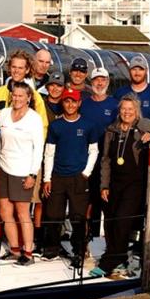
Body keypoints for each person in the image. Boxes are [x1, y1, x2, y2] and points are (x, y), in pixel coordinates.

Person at [92, 95, 150, 279]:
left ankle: (109, 261)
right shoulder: (111, 130)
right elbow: (105, 159)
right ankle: (119, 256)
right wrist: (103, 185)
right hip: (114, 182)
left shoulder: (142, 124)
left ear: (136, 111)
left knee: (123, 220)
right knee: (110, 220)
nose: (127, 112)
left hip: (134, 183)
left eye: (130, 109)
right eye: (123, 109)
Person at [41, 89, 99, 266]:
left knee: (77, 216)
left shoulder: (88, 125)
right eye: (67, 101)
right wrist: (47, 178)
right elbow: (49, 153)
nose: (70, 105)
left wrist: (86, 173)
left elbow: (93, 151)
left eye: (74, 101)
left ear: (79, 103)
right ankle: (51, 249)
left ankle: (79, 251)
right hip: (57, 176)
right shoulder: (56, 126)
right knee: (53, 214)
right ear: (63, 103)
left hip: (79, 177)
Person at [0, 81, 45, 267]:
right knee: (5, 211)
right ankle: (14, 250)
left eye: (20, 96)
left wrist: (33, 174)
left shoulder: (34, 119)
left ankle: (28, 252)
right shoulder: (3, 114)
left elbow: (38, 148)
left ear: (28, 98)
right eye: (14, 95)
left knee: (22, 213)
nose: (16, 98)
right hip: (3, 168)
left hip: (23, 170)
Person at [80, 67, 119, 242]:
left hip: (107, 159)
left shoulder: (114, 104)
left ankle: (109, 238)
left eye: (103, 79)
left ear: (108, 82)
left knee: (106, 198)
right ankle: (89, 235)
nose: (99, 83)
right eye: (96, 80)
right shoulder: (84, 103)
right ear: (91, 82)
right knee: (88, 198)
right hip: (87, 158)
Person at [113, 54, 150, 133]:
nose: (137, 73)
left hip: (148, 142)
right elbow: (114, 119)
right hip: (125, 140)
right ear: (129, 71)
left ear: (146, 71)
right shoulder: (120, 93)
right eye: (134, 69)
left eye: (141, 69)